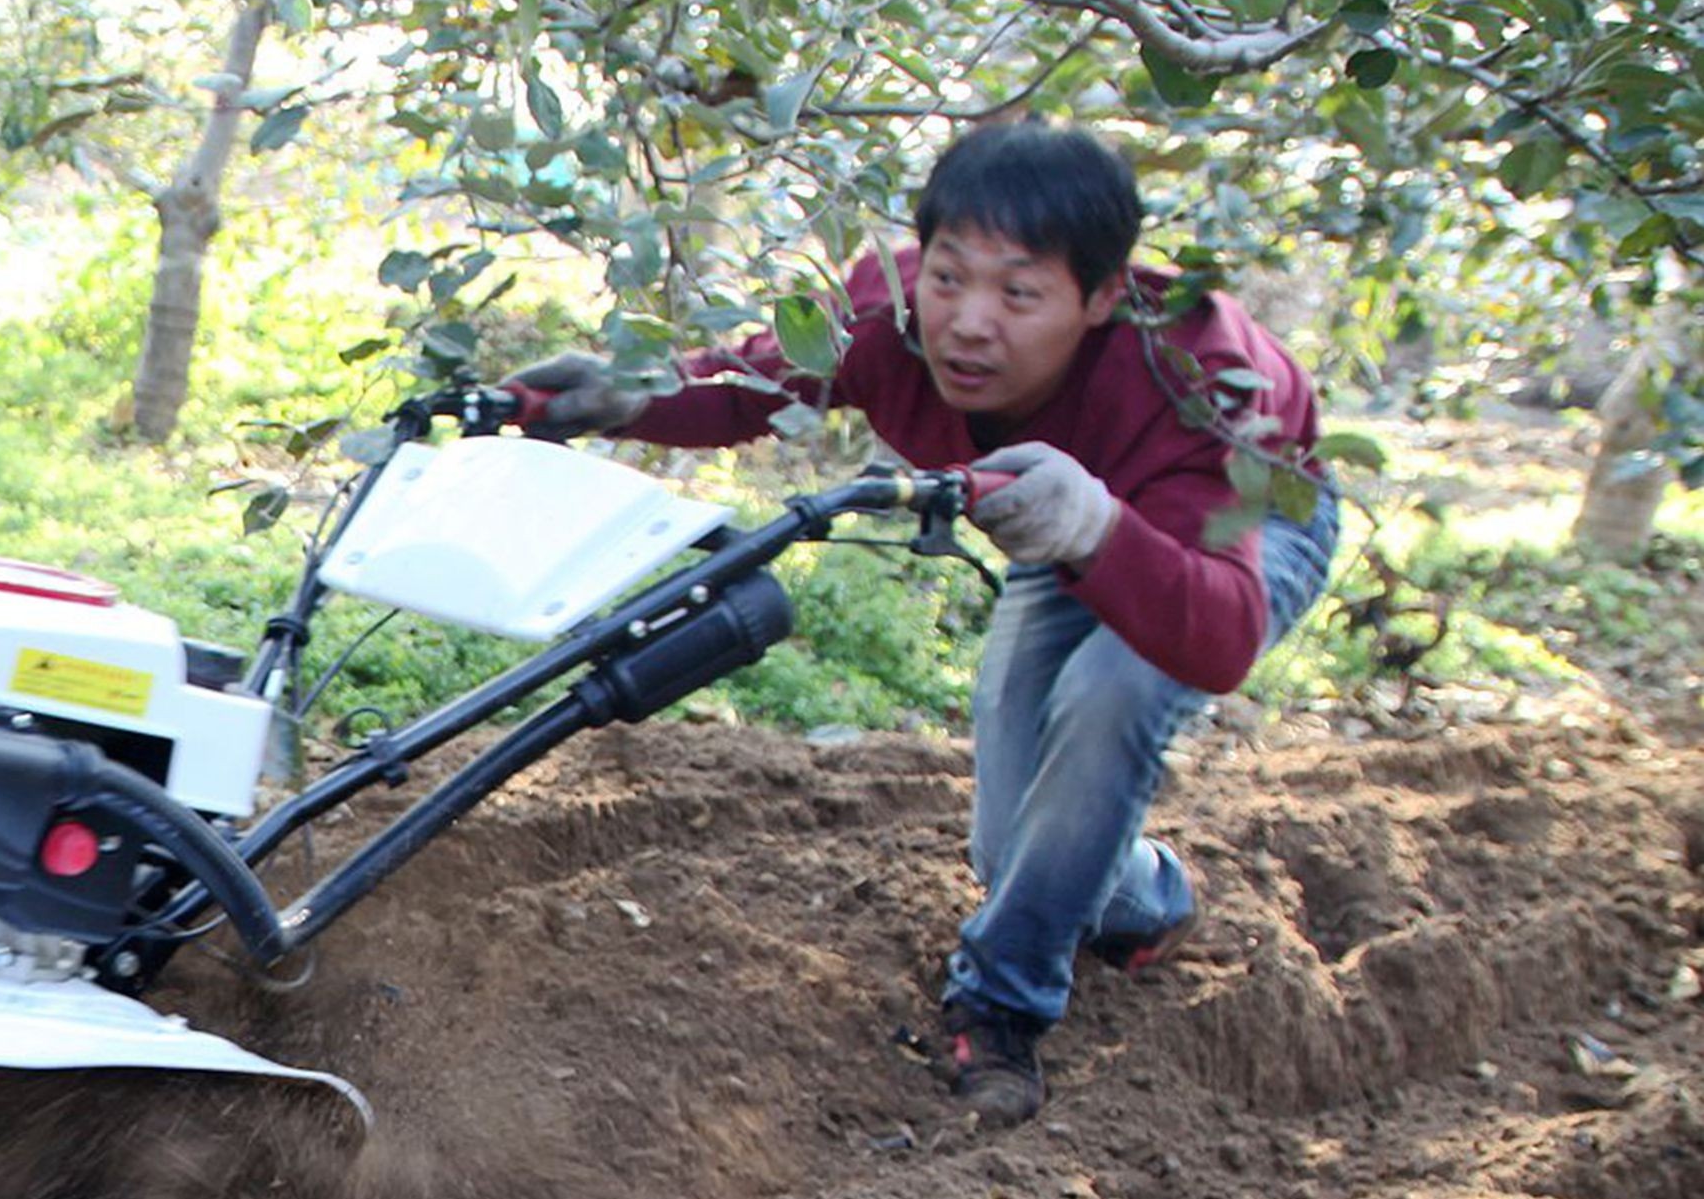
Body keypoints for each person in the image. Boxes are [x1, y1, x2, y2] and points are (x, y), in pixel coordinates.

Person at [507, 118, 1337, 1125]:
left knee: (1112, 693)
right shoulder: (887, 311)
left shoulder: (1202, 384)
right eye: (950, 277)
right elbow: (753, 385)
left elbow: (1221, 636)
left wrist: (1093, 526)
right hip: (1061, 522)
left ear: (1103, 295)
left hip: (1232, 530)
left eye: (1019, 293)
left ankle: (1001, 1009)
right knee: (1015, 848)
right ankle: (1146, 899)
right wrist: (614, 398)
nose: (968, 322)